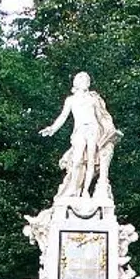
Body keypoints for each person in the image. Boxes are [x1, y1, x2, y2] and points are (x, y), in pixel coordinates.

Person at [39, 72, 121, 202]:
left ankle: (85, 191)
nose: (86, 82)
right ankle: (73, 189)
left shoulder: (94, 99)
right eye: (83, 80)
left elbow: (102, 117)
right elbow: (63, 116)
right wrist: (52, 128)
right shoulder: (71, 100)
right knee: (77, 160)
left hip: (93, 130)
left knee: (90, 161)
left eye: (87, 80)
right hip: (79, 131)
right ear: (76, 83)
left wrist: (110, 130)